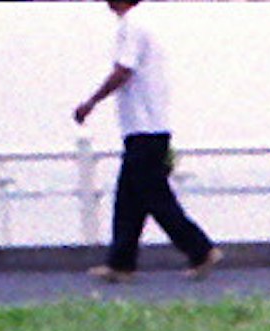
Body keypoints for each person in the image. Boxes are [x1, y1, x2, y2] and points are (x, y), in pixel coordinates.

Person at [71, 0, 216, 283]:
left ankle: (200, 250)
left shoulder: (132, 26)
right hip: (146, 129)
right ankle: (121, 264)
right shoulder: (140, 24)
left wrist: (91, 102)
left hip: (145, 129)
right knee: (129, 200)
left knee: (155, 198)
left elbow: (123, 70)